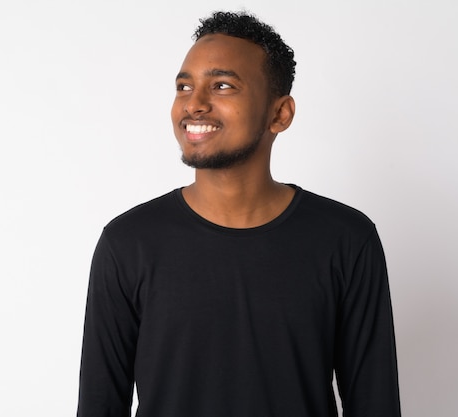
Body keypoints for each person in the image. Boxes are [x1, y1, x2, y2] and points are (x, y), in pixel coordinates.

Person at [77, 10, 401, 417]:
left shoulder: (347, 239)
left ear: (279, 114)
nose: (194, 104)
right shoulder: (127, 243)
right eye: (184, 86)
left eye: (223, 85)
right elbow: (99, 404)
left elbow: (375, 402)